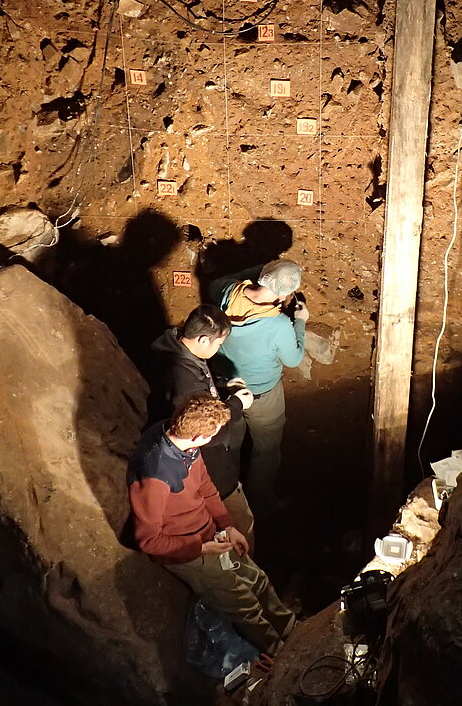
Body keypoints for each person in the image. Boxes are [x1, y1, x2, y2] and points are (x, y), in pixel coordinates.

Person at [126, 392, 295, 655]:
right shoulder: (156, 476)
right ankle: (282, 651)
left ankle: (291, 629)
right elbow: (149, 540)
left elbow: (205, 487)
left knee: (257, 580)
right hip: (190, 555)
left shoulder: (183, 443)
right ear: (196, 437)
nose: (214, 438)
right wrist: (200, 548)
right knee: (243, 604)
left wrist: (228, 525)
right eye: (212, 434)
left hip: (210, 533)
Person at [149, 304, 255, 549]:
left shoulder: (174, 345)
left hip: (201, 457)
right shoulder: (182, 378)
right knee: (242, 521)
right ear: (203, 338)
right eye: (218, 343)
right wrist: (238, 404)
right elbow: (211, 433)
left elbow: (201, 387)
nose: (219, 349)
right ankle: (245, 563)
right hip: (211, 465)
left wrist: (221, 386)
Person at [210, 259, 309, 515]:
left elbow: (215, 284)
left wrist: (259, 271)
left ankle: (230, 497)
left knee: (230, 442)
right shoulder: (278, 326)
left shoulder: (227, 292)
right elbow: (294, 359)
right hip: (262, 394)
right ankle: (259, 501)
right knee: (266, 449)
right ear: (286, 293)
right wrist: (299, 322)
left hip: (227, 388)